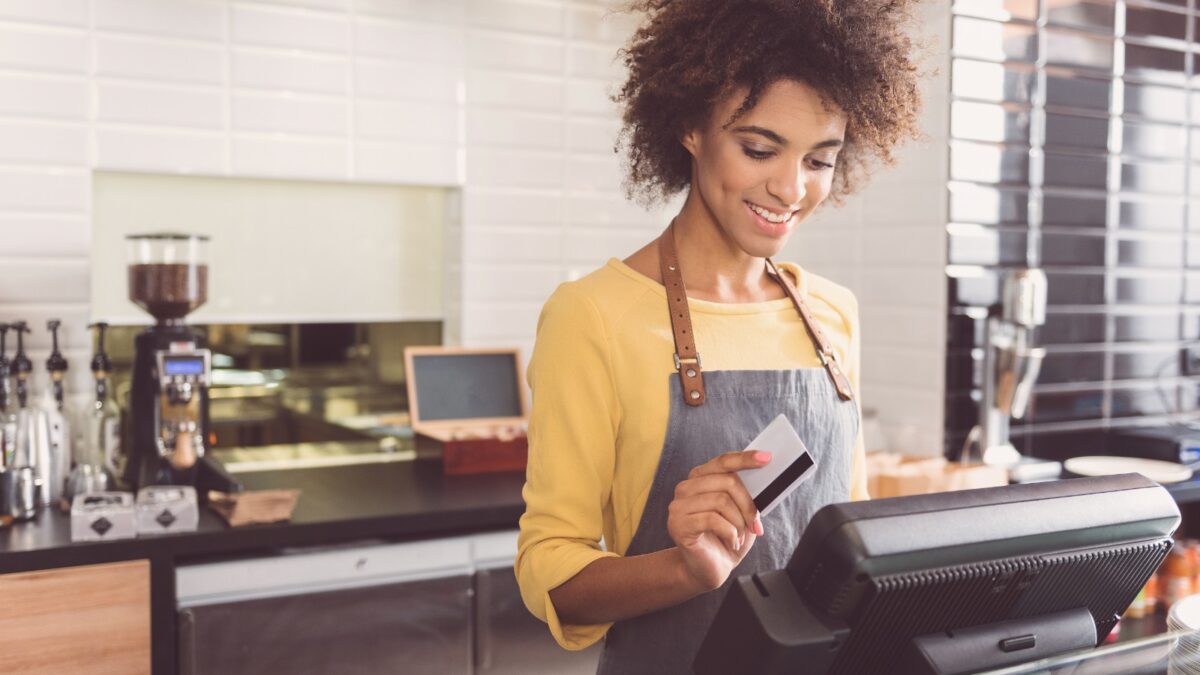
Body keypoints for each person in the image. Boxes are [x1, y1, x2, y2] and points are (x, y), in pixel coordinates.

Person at [515, 0, 924, 672]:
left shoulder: (832, 313)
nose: (791, 188)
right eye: (759, 148)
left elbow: (849, 541)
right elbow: (548, 570)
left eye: (821, 159)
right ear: (690, 128)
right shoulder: (592, 316)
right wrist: (684, 570)